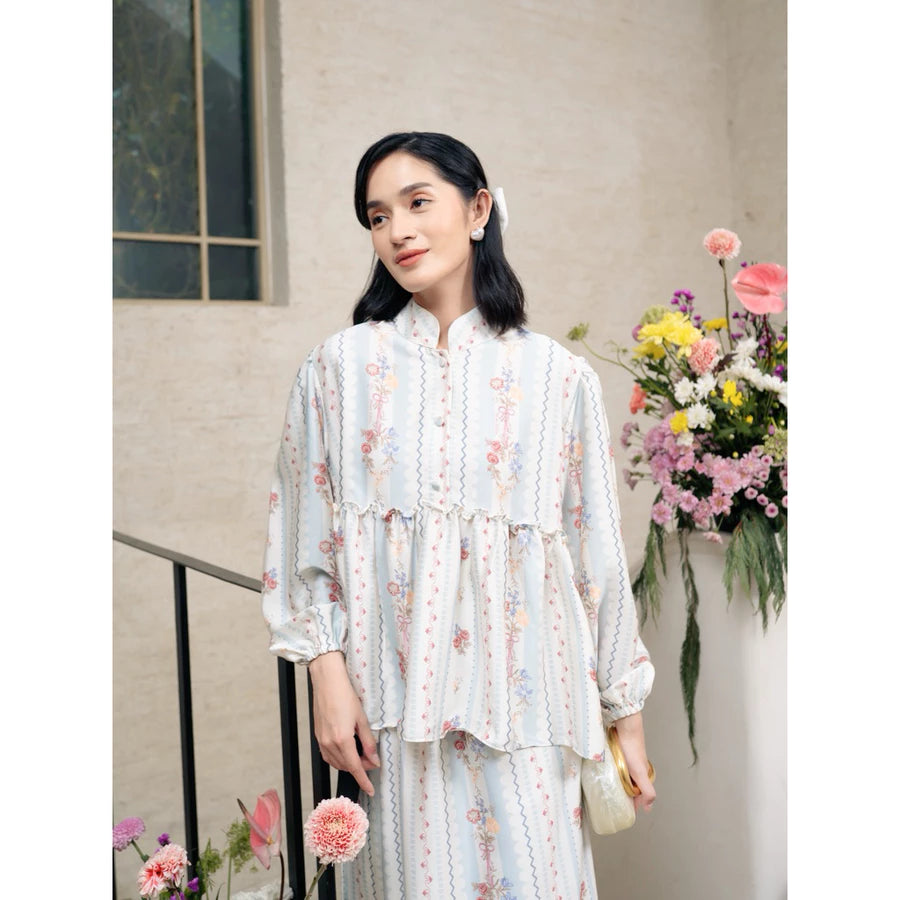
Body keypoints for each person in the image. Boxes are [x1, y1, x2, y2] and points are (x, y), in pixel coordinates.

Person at [262, 131, 655, 899]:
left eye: (417, 203)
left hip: (533, 702)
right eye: (377, 217)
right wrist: (325, 670)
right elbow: (305, 532)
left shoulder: (559, 378)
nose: (398, 231)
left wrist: (625, 712)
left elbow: (594, 554)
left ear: (478, 209)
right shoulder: (338, 370)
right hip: (393, 703)